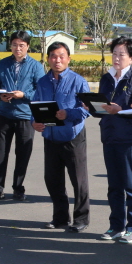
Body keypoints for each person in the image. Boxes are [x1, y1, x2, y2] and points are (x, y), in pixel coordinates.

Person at [32, 42, 92, 232]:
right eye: (53, 56)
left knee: (78, 180)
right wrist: (35, 121)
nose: (57, 60)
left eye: (61, 56)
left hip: (72, 137)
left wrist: (69, 114)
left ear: (68, 58)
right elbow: (36, 105)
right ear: (48, 59)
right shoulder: (42, 82)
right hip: (50, 137)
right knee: (52, 179)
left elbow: (86, 109)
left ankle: (81, 219)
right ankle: (60, 218)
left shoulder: (78, 81)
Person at [97, 37, 132, 243]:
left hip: (130, 139)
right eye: (114, 53)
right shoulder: (106, 79)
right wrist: (92, 107)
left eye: (122, 54)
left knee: (131, 185)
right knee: (114, 186)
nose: (116, 58)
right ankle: (116, 226)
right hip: (110, 136)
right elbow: (102, 106)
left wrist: (124, 109)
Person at [0, 31, 46, 202]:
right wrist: (0, 96)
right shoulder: (3, 63)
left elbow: (40, 90)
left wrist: (23, 95)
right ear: (10, 45)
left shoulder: (36, 66)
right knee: (0, 153)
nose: (17, 48)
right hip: (4, 114)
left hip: (26, 116)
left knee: (23, 154)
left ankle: (18, 189)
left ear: (27, 46)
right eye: (14, 44)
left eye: (21, 45)